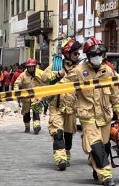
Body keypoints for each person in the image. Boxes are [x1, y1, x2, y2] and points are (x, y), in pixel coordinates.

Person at [60, 37, 119, 186]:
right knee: (96, 145)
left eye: (100, 54)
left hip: (105, 115)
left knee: (105, 146)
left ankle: (97, 169)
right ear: (88, 56)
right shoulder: (79, 71)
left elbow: (114, 93)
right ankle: (106, 176)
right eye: (95, 54)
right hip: (88, 115)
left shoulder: (107, 70)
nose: (98, 57)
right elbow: (64, 87)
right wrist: (66, 105)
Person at [41, 38, 82, 170]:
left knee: (69, 135)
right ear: (67, 54)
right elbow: (43, 77)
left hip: (72, 107)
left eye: (78, 53)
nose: (78, 56)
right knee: (57, 133)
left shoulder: (80, 68)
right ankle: (60, 159)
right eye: (75, 53)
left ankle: (67, 154)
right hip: (56, 105)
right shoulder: (57, 64)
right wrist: (57, 73)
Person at [14, 59, 44, 134]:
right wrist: (16, 91)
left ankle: (36, 126)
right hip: (26, 98)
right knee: (26, 114)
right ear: (27, 67)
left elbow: (46, 78)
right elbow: (17, 84)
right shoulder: (23, 75)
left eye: (32, 67)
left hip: (37, 97)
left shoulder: (39, 73)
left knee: (36, 112)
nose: (31, 68)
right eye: (29, 67)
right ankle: (27, 127)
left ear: (35, 66)